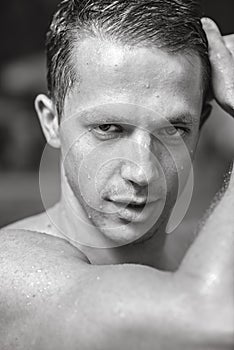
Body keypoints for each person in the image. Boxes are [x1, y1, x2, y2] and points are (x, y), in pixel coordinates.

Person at [1, 0, 234, 348]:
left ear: (200, 125)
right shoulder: (11, 269)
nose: (141, 171)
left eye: (172, 129)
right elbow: (208, 316)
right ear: (51, 121)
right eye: (108, 128)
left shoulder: (198, 248)